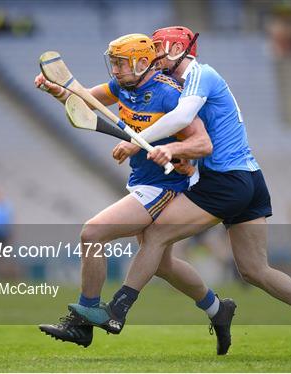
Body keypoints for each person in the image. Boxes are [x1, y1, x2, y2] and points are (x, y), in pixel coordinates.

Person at [70, 26, 291, 358]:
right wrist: (179, 156)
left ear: (176, 50)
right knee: (255, 270)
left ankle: (117, 310)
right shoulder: (182, 86)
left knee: (154, 237)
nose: (154, 57)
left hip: (224, 181)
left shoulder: (200, 74)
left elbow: (191, 128)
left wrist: (151, 147)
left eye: (159, 49)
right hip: (249, 179)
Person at [35, 34, 236, 354]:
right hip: (142, 181)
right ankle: (217, 309)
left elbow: (202, 142)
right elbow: (85, 101)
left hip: (166, 186)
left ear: (143, 62)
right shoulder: (121, 87)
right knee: (164, 264)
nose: (114, 70)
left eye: (120, 63)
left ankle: (83, 322)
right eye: (112, 62)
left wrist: (177, 155)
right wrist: (58, 91)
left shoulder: (168, 94)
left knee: (92, 233)